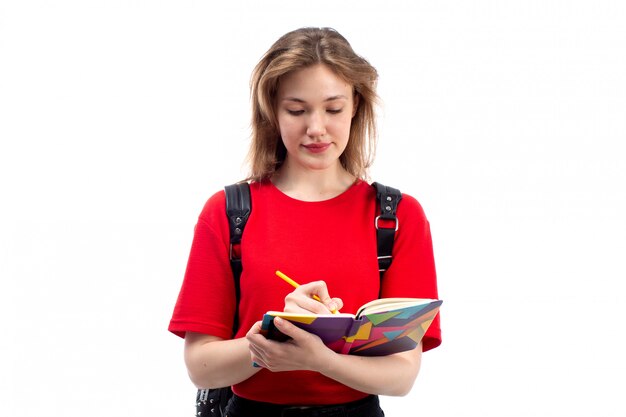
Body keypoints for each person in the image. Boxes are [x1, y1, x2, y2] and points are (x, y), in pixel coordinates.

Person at [168, 27, 441, 417]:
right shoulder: (229, 212)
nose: (316, 128)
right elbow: (201, 366)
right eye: (296, 110)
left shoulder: (396, 218)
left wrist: (318, 358)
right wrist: (275, 332)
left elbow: (401, 377)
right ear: (272, 112)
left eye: (333, 109)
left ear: (355, 107)